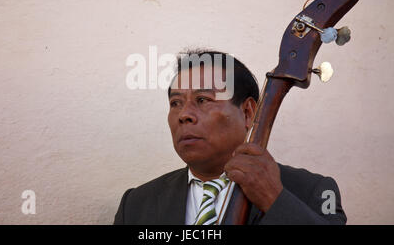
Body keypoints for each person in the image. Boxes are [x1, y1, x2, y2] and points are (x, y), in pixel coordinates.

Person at [114, 49, 346, 225]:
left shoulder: (313, 191)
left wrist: (275, 200)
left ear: (247, 112)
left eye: (202, 100)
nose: (183, 115)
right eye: (175, 103)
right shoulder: (136, 204)